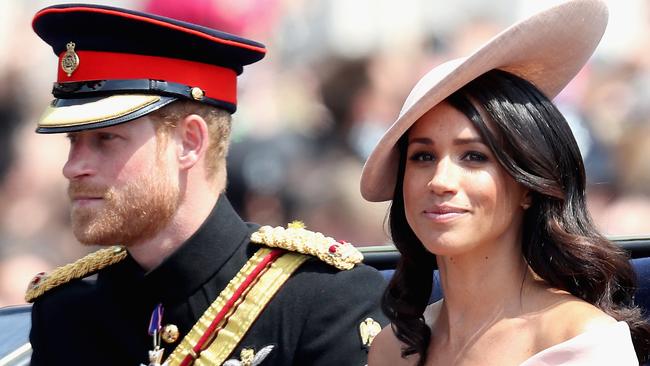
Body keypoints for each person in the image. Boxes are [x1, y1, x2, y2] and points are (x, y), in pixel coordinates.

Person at [25, 4, 387, 366]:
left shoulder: (322, 300)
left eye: (105, 139)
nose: (73, 167)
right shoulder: (65, 312)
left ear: (190, 143)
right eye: (73, 141)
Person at [360, 1, 650, 365]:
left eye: (474, 156)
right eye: (423, 157)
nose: (440, 180)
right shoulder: (391, 349)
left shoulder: (580, 339)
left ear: (528, 184)